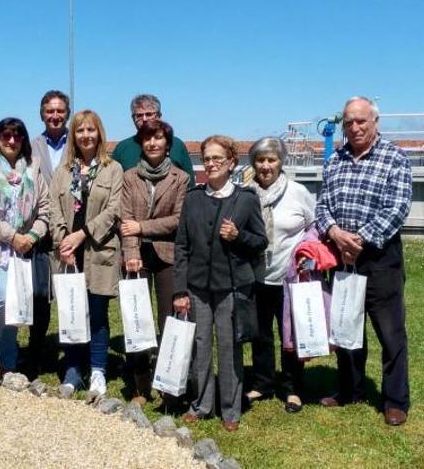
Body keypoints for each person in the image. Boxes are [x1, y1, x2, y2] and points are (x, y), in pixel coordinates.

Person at [315, 96, 413, 426]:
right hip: (342, 258)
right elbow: (322, 206)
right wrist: (335, 233)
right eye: (348, 122)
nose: (354, 127)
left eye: (361, 121)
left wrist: (358, 240)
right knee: (346, 328)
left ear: (375, 123)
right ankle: (349, 389)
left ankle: (396, 400)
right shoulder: (334, 160)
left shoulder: (395, 157)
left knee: (390, 334)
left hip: (380, 258)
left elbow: (397, 207)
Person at [173, 135, 267, 432]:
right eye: (207, 158)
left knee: (229, 347)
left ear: (231, 163)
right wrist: (180, 289)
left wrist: (238, 236)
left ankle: (230, 409)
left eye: (217, 158)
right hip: (198, 287)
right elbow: (182, 247)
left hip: (232, 287)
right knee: (200, 346)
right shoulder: (193, 198)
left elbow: (261, 242)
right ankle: (201, 404)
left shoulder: (247, 199)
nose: (211, 163)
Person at [0, 118, 50, 376]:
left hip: (23, 247)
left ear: (24, 140)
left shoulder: (33, 169)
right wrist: (12, 236)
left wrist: (32, 236)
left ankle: (9, 356)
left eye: (17, 136)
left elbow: (45, 209)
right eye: (6, 136)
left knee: (17, 301)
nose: (11, 141)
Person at [48, 109, 123, 396]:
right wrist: (63, 241)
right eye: (80, 130)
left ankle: (98, 370)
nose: (86, 135)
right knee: (70, 312)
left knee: (97, 313)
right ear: (74, 136)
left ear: (99, 133)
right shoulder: (63, 172)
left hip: (98, 250)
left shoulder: (112, 169)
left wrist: (81, 234)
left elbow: (114, 210)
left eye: (91, 130)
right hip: (69, 254)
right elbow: (53, 207)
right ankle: (73, 369)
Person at [119, 118, 189, 406]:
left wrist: (142, 227)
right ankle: (140, 386)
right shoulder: (130, 177)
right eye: (147, 139)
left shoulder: (180, 178)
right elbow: (125, 220)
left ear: (167, 143)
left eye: (158, 138)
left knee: (168, 321)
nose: (152, 143)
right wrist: (131, 253)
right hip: (136, 257)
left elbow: (178, 220)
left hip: (167, 256)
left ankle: (169, 385)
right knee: (136, 322)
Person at [244, 137, 315, 413]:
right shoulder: (246, 194)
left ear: (281, 162)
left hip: (289, 278)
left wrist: (306, 251)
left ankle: (292, 387)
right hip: (257, 276)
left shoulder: (298, 192)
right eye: (260, 160)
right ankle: (262, 383)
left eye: (271, 160)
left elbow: (313, 226)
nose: (265, 166)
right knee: (260, 334)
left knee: (290, 335)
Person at [25, 89, 70, 376]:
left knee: (70, 298)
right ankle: (35, 354)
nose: (54, 116)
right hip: (40, 235)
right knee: (40, 298)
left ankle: (72, 358)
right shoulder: (31, 146)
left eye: (60, 111)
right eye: (49, 111)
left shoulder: (77, 144)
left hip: (69, 233)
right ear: (42, 114)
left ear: (67, 113)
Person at [111, 94, 195, 181]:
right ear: (133, 119)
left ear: (159, 116)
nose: (144, 119)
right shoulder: (122, 148)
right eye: (139, 115)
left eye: (149, 114)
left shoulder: (176, 145)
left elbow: (190, 186)